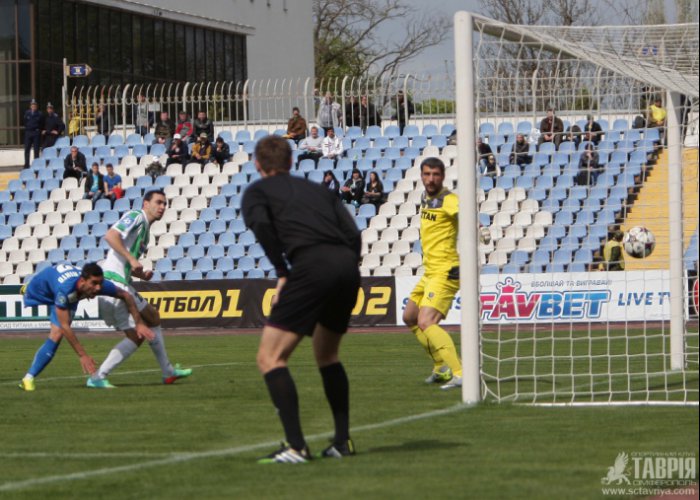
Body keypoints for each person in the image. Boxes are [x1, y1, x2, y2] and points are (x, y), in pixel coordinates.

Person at [241, 135, 361, 463]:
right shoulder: (320, 190)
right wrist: (347, 266)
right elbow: (353, 234)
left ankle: (296, 446)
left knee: (270, 358)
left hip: (312, 265)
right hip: (347, 267)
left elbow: (262, 225)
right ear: (292, 162)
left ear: (257, 164)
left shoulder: (256, 191)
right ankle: (341, 442)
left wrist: (282, 271)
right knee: (328, 355)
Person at [87, 189, 193, 388]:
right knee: (140, 332)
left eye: (165, 204)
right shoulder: (136, 216)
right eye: (158, 202)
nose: (162, 207)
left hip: (121, 282)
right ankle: (98, 376)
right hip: (113, 282)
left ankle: (167, 371)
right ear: (145, 204)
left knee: (151, 319)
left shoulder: (146, 233)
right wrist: (132, 259)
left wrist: (141, 274)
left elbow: (127, 262)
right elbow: (110, 236)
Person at [18, 263, 153, 391]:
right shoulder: (65, 289)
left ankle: (27, 379)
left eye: (99, 283)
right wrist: (83, 355)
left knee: (57, 332)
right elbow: (65, 326)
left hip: (71, 292)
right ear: (82, 281)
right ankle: (28, 378)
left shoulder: (95, 284)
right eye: (94, 283)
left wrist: (139, 323)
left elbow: (126, 295)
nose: (98, 288)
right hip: (42, 289)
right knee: (58, 332)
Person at [402, 157, 463, 390]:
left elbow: (465, 215)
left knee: (426, 321)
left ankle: (460, 372)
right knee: (410, 317)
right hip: (430, 271)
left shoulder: (449, 200)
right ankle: (441, 367)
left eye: (435, 174)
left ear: (443, 176)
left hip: (446, 270)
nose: (431, 178)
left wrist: (480, 229)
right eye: (427, 174)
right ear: (421, 176)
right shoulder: (425, 199)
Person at [23, 99, 44, 169]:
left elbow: (41, 123)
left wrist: (38, 130)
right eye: (32, 105)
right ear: (30, 106)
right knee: (27, 149)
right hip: (28, 132)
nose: (33, 106)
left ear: (36, 106)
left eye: (34, 105)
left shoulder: (39, 114)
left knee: (36, 150)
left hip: (36, 132)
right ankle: (26, 165)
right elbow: (25, 122)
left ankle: (36, 165)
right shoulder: (27, 113)